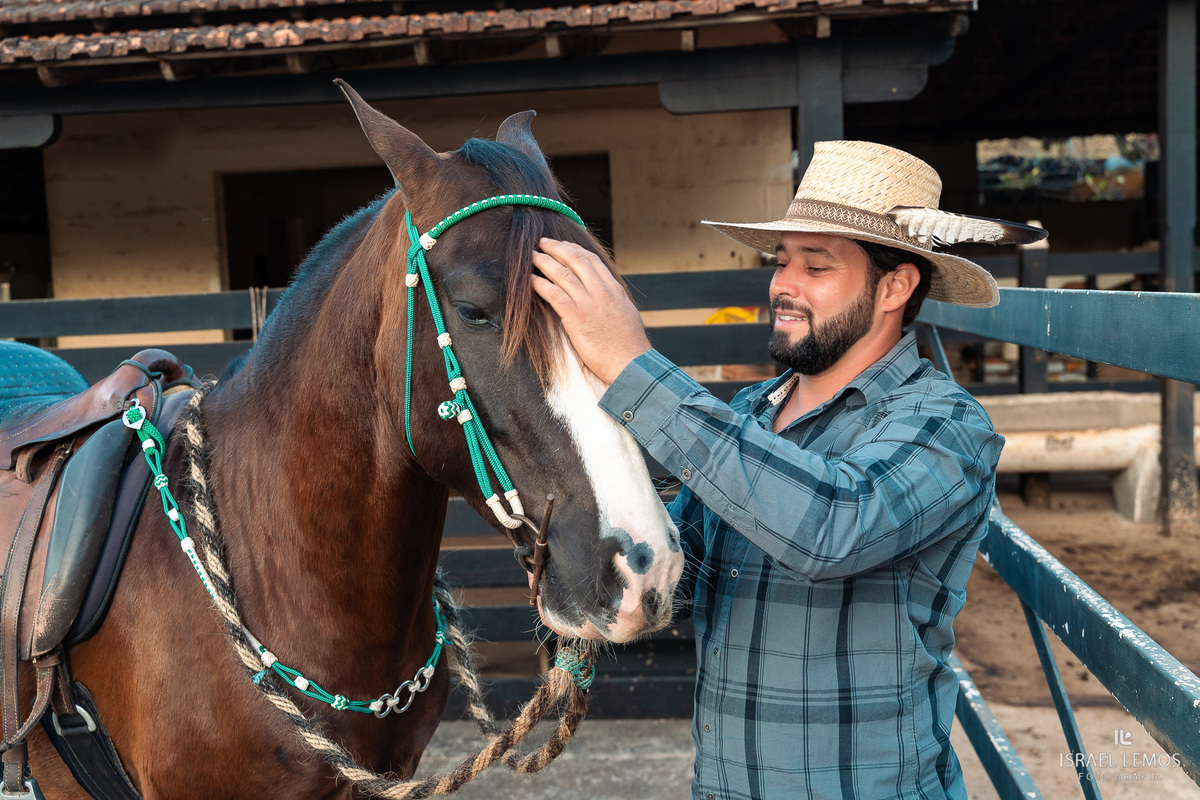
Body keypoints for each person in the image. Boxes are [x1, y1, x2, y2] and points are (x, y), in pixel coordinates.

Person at [531, 141, 1040, 800]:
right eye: (781, 262)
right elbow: (680, 569)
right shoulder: (752, 411)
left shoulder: (946, 425)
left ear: (895, 286)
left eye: (816, 266)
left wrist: (633, 366)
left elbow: (834, 528)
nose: (782, 285)